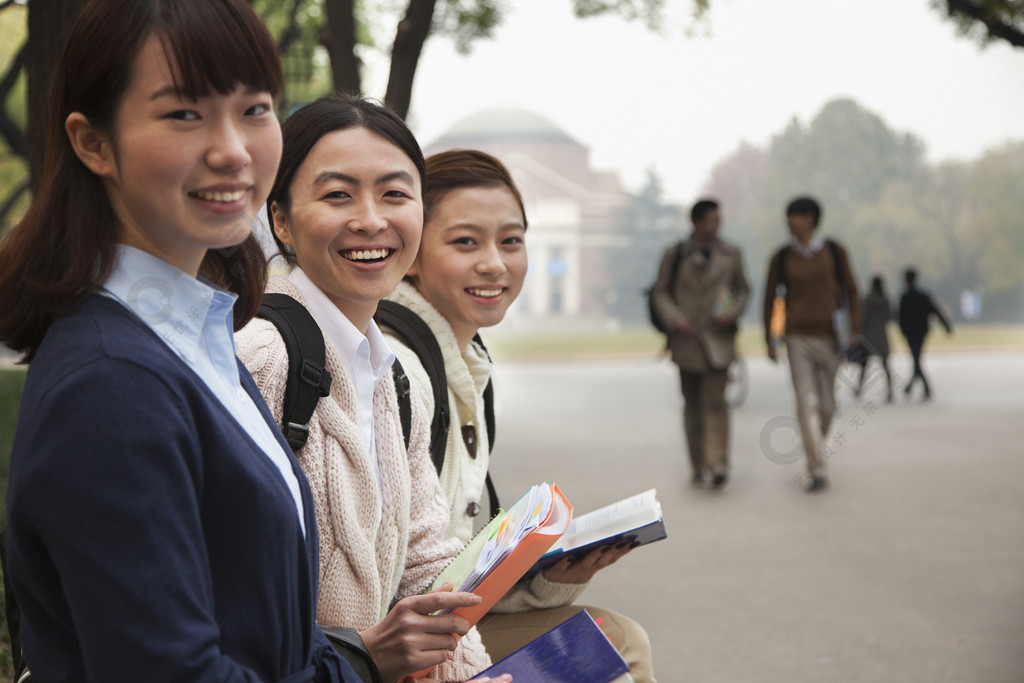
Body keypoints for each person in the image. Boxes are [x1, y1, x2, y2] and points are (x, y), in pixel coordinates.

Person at [0, 0, 367, 680]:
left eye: (255, 109)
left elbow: (269, 628)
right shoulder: (111, 384)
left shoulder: (194, 336)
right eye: (183, 114)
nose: (232, 148)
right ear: (93, 143)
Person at [234, 96, 495, 683]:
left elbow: (430, 567)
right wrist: (361, 655)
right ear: (281, 219)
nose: (371, 220)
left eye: (396, 194)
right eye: (337, 195)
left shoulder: (396, 378)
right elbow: (228, 594)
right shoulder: (258, 357)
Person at [382, 149, 657, 682]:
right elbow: (401, 581)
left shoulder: (467, 367)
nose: (495, 262)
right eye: (466, 242)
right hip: (392, 651)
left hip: (433, 629)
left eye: (511, 241)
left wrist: (546, 578)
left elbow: (451, 570)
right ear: (411, 252)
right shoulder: (399, 368)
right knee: (617, 646)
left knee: (610, 638)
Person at [762, 196, 859, 493]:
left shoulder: (834, 251)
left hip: (830, 337)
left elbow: (852, 291)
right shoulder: (781, 257)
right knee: (805, 403)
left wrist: (854, 328)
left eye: (793, 217)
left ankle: (817, 442)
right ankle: (816, 468)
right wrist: (769, 337)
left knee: (828, 406)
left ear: (810, 219)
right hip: (797, 337)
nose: (788, 223)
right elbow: (770, 299)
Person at [650, 198, 749, 490]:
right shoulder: (676, 253)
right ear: (695, 222)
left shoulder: (732, 253)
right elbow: (660, 292)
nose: (716, 225)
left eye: (719, 220)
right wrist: (675, 318)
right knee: (692, 405)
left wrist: (733, 312)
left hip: (718, 337)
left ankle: (718, 463)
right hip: (687, 339)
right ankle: (697, 465)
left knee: (716, 403)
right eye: (710, 220)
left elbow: (742, 288)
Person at [898, 267, 953, 401]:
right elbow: (935, 310)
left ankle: (920, 387)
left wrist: (903, 331)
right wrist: (946, 325)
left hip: (912, 333)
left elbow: (900, 317)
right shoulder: (922, 295)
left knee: (916, 359)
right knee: (916, 358)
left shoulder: (905, 297)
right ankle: (914, 387)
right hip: (921, 332)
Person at [854, 275, 893, 402]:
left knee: (864, 365)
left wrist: (859, 331)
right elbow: (889, 316)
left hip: (869, 336)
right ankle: (890, 391)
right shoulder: (885, 300)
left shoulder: (867, 300)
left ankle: (859, 388)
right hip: (881, 334)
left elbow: (863, 317)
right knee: (885, 365)